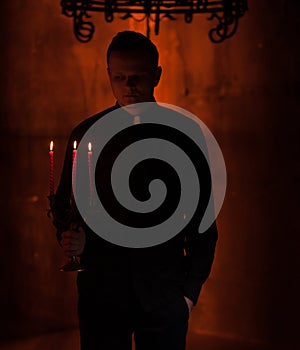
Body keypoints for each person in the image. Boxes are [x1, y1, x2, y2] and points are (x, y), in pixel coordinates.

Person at [52, 30, 218, 350]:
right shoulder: (87, 134)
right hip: (101, 293)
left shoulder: (184, 134)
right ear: (108, 75)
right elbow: (64, 207)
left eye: (138, 77)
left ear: (156, 75)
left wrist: (188, 294)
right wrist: (73, 238)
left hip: (163, 294)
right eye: (119, 76)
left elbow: (203, 221)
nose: (128, 86)